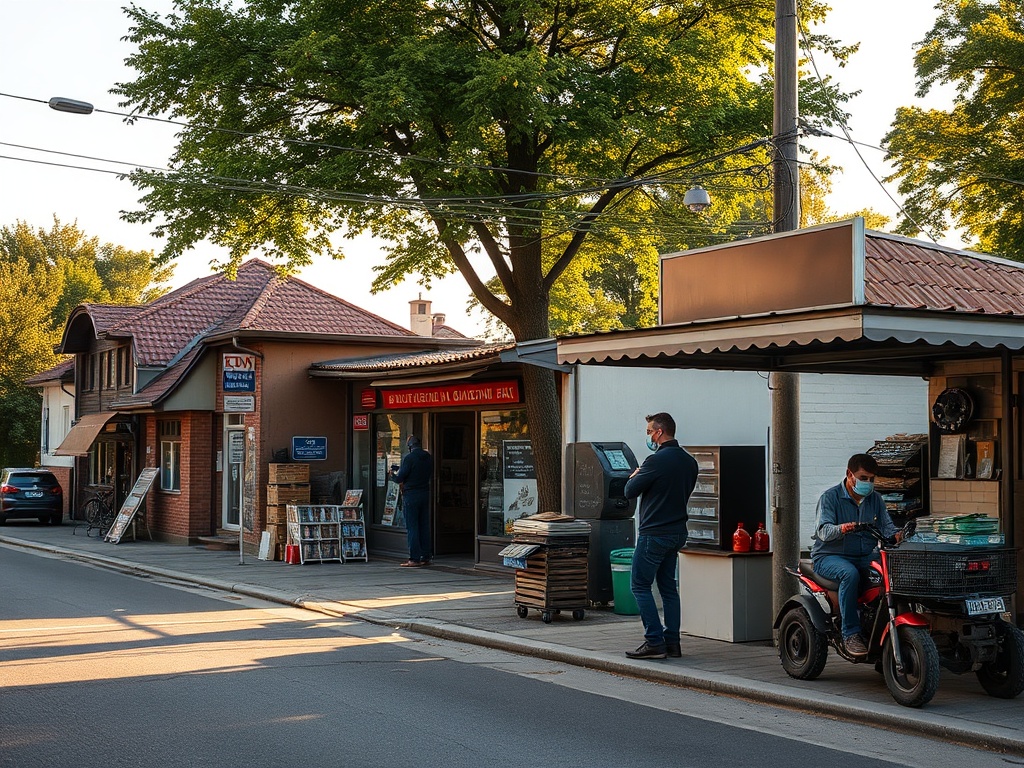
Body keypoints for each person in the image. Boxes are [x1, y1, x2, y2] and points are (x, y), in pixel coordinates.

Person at [622, 412, 698, 660]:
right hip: (677, 532)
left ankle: (654, 641)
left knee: (640, 585)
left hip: (654, 533)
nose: (648, 437)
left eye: (648, 432)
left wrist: (634, 475)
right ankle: (672, 642)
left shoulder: (655, 461)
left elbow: (630, 491)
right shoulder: (689, 462)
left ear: (659, 432)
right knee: (668, 588)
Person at [811, 453, 900, 656]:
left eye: (871, 479)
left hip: (865, 555)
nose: (868, 483)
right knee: (850, 574)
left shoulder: (875, 499)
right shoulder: (830, 497)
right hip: (829, 556)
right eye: (863, 478)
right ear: (849, 475)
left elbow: (887, 528)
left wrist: (899, 535)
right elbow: (823, 531)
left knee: (890, 571)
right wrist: (844, 528)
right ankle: (850, 633)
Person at [392, 435, 434, 567]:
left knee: (412, 527)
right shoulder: (427, 457)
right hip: (425, 492)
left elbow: (400, 478)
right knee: (424, 525)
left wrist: (392, 475)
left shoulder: (409, 458)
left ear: (410, 447)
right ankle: (425, 556)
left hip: (411, 494)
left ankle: (414, 558)